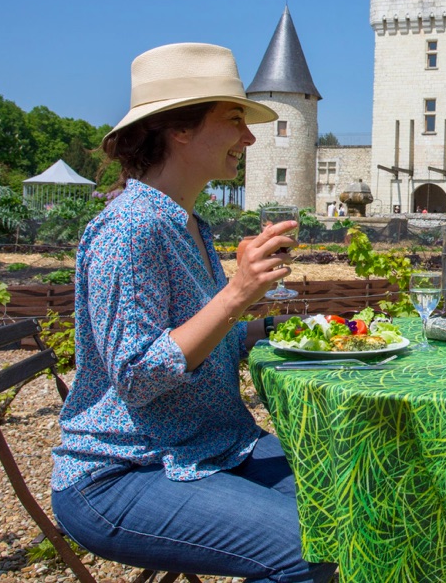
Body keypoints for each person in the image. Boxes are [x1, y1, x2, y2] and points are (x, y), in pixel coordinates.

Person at [50, 43, 337, 582]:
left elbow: (201, 342)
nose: (249, 138)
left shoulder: (189, 225)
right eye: (234, 120)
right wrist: (236, 294)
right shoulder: (130, 228)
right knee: (311, 552)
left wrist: (274, 327)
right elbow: (137, 376)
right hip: (125, 472)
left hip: (213, 448)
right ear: (179, 129)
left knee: (355, 507)